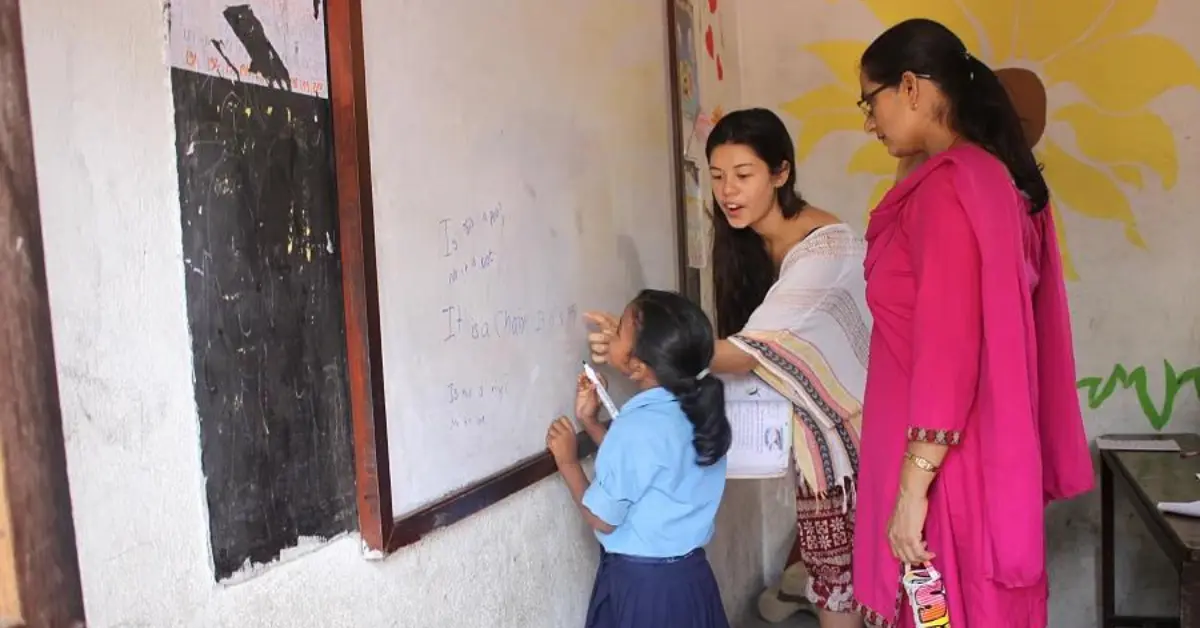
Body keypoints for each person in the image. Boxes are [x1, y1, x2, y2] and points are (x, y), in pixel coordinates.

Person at [850, 18, 1094, 628]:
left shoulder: (950, 189)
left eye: (869, 101)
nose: (869, 122)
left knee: (938, 614)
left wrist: (912, 494)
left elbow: (948, 351)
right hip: (977, 463)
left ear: (909, 88)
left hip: (944, 478)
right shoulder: (990, 179)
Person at [585, 108, 871, 628]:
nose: (727, 191)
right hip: (817, 453)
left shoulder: (826, 250)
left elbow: (749, 352)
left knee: (880, 584)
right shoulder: (744, 243)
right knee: (834, 584)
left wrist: (648, 345)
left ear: (781, 173)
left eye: (743, 175)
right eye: (717, 177)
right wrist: (642, 346)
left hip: (859, 444)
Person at [546, 289, 733, 628]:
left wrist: (568, 463)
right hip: (691, 580)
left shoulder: (637, 428)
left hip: (644, 589)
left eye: (618, 333)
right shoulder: (699, 414)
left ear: (637, 365)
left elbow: (603, 517)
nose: (611, 335)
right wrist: (591, 422)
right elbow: (651, 471)